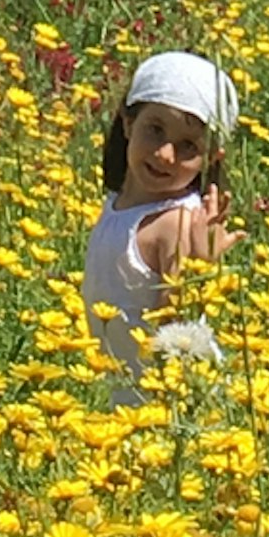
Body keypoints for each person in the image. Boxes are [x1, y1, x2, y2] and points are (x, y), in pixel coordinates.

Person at [83, 51, 239, 397]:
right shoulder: (119, 205)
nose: (166, 154)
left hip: (169, 400)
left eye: (188, 146)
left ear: (212, 156)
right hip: (130, 392)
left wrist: (199, 263)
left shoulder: (178, 224)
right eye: (155, 130)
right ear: (127, 123)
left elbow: (176, 333)